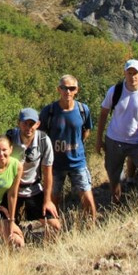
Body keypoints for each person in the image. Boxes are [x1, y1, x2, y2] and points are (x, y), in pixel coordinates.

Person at [96, 59, 138, 202]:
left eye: (135, 73)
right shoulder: (115, 91)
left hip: (136, 143)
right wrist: (99, 140)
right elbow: (103, 114)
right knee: (114, 180)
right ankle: (116, 205)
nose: (132, 76)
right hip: (113, 141)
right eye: (129, 73)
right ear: (124, 73)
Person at [40, 74, 97, 221]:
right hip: (55, 164)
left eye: (72, 88)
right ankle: (53, 231)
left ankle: (90, 228)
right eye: (64, 88)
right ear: (59, 89)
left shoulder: (83, 110)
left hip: (78, 162)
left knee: (88, 199)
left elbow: (86, 130)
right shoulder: (49, 111)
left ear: (77, 90)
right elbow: (41, 134)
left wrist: (75, 144)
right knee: (53, 200)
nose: (68, 92)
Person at [6, 108, 61, 235]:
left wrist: (47, 200)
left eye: (32, 124)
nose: (28, 127)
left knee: (55, 226)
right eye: (25, 123)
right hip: (11, 190)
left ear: (38, 124)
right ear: (19, 123)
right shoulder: (10, 137)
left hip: (33, 190)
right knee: (7, 229)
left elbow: (48, 172)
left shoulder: (43, 140)